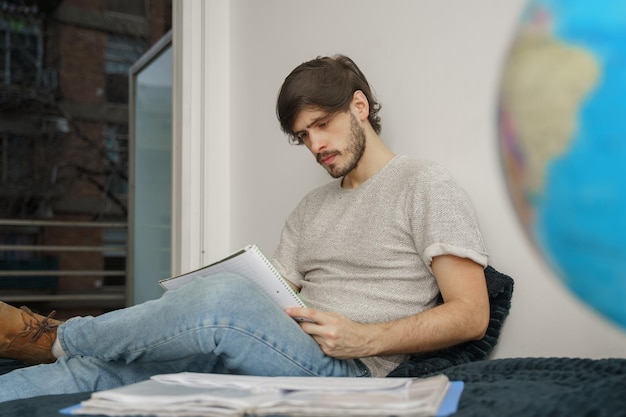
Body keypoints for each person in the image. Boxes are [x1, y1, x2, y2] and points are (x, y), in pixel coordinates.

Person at [0, 54, 489, 402]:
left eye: (322, 125)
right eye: (303, 136)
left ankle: (58, 335)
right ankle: (60, 353)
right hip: (286, 346)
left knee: (223, 299)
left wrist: (367, 338)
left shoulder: (424, 183)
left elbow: (471, 314)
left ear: (359, 107)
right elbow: (278, 296)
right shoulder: (311, 207)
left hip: (351, 367)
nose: (315, 145)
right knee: (110, 367)